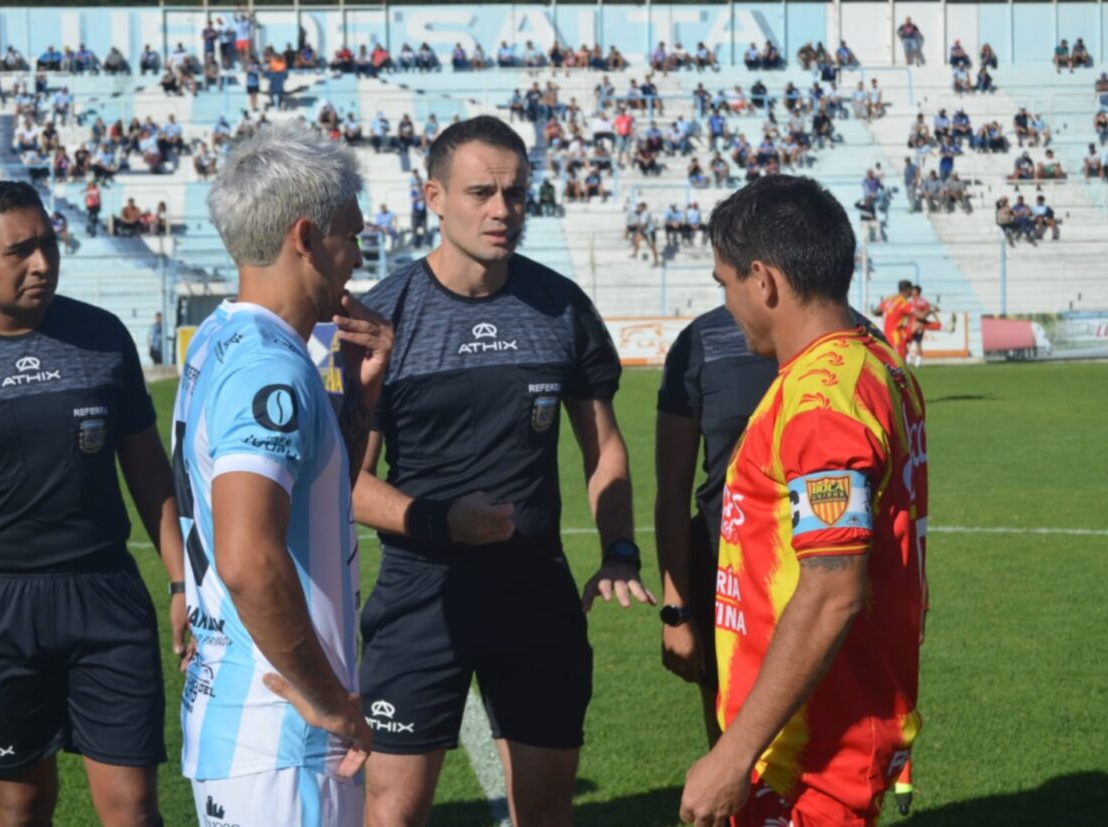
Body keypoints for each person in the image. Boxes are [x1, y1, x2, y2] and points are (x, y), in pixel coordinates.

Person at [353, 115, 653, 827]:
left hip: (534, 587)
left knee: (546, 812)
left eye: (515, 194)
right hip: (419, 595)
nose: (501, 211)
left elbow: (604, 446)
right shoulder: (385, 314)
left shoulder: (562, 308)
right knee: (393, 810)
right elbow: (347, 483)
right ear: (433, 195)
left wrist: (618, 547)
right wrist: (439, 521)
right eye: (481, 192)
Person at [0, 180, 191, 827]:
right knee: (22, 804)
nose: (43, 262)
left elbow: (149, 474)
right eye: (20, 250)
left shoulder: (103, 338)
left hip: (105, 596)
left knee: (133, 809)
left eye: (48, 244)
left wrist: (180, 579)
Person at [678, 174, 927, 826]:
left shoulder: (824, 400)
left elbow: (831, 587)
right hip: (809, 740)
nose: (727, 302)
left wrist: (732, 754)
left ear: (763, 281)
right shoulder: (871, 361)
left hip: (812, 762)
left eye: (724, 283)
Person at [173, 121, 391, 825]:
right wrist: (330, 703)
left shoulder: (220, 337)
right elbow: (247, 557)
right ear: (305, 237)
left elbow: (313, 501)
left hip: (240, 724)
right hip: (280, 737)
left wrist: (360, 396)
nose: (358, 257)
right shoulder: (270, 365)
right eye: (351, 236)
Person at [655, 307, 776, 749]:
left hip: (824, 573)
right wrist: (676, 610)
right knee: (731, 754)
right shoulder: (702, 340)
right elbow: (672, 490)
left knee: (824, 758)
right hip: (726, 580)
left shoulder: (854, 334)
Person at [876, 279, 916, 358]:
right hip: (896, 336)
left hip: (887, 334)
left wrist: (888, 312)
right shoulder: (903, 303)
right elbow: (920, 315)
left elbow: (876, 311)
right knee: (899, 362)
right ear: (908, 290)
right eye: (911, 289)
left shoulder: (889, 299)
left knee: (892, 361)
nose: (912, 291)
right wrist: (930, 311)